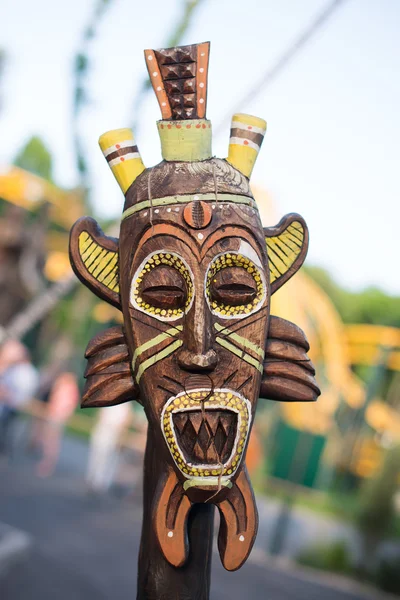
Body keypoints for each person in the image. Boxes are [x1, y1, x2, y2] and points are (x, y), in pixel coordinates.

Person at [36, 371, 80, 477]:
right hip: (53, 415)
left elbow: (69, 406)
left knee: (52, 441)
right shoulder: (63, 387)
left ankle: (48, 463)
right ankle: (46, 461)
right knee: (48, 439)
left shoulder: (68, 389)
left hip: (57, 417)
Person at [0, 339, 39, 454]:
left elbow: (14, 392)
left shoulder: (23, 371)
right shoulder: (16, 369)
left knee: (6, 431)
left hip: (11, 406)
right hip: (12, 405)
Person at [86, 403, 133, 494]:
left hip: (113, 435)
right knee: (96, 455)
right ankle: (92, 478)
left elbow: (125, 422)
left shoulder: (125, 406)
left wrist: (120, 436)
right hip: (102, 431)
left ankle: (100, 483)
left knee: (107, 459)